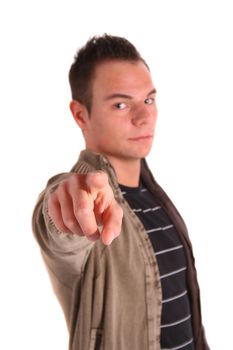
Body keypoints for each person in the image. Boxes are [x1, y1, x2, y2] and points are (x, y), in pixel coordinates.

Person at [32, 34, 209, 350]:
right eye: (121, 103)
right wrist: (64, 200)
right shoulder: (88, 206)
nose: (143, 117)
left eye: (149, 100)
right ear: (80, 115)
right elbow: (59, 228)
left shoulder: (153, 196)